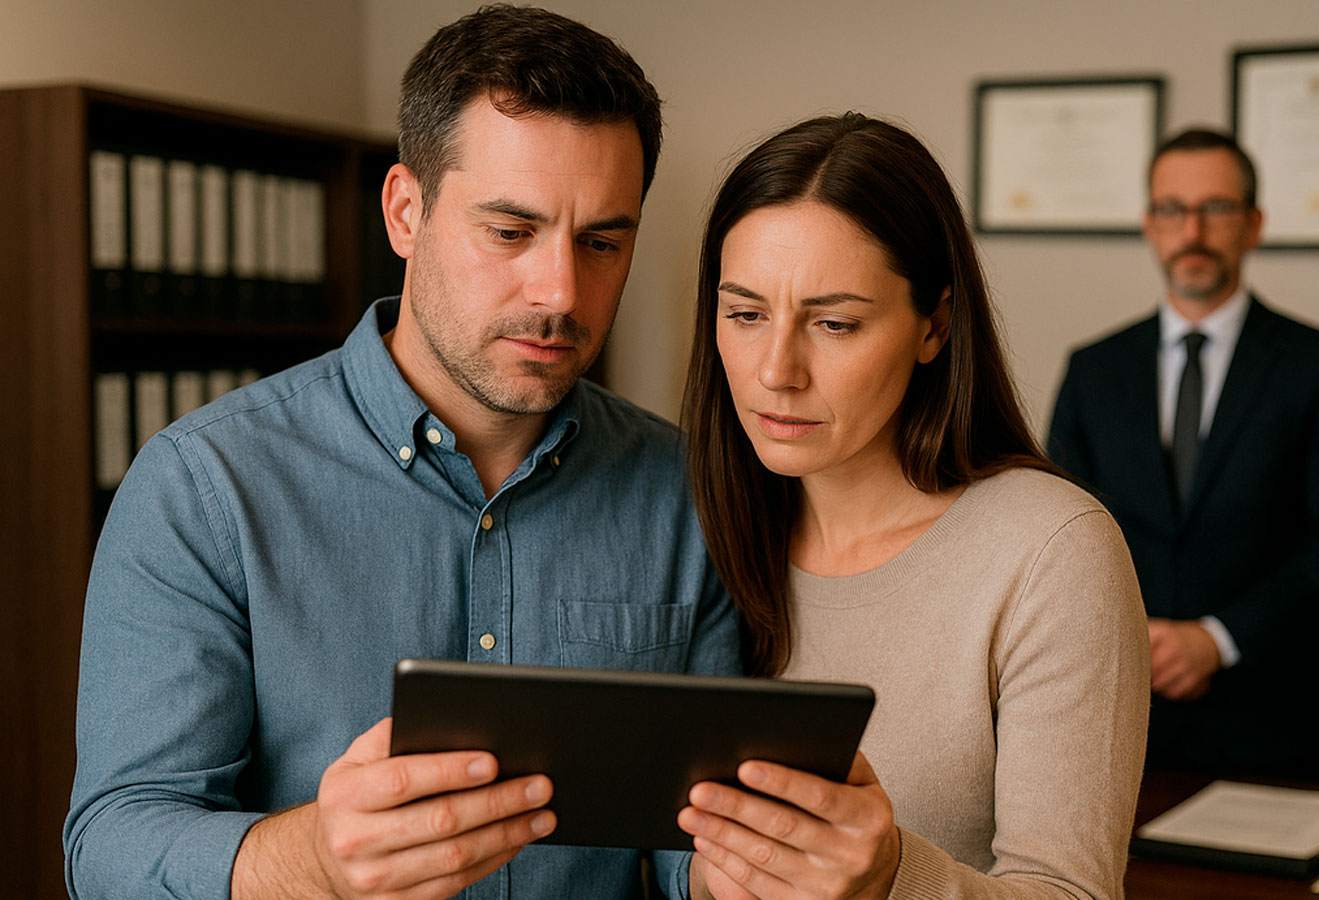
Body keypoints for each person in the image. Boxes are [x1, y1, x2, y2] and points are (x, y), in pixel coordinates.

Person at [64, 6, 739, 900]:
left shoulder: (688, 493)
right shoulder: (203, 487)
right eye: (509, 231)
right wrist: (310, 860)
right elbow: (108, 846)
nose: (560, 290)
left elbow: (685, 842)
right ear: (404, 212)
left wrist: (745, 874)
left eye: (602, 242)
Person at [676, 113, 1149, 900]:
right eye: (745, 314)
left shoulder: (1052, 552)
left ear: (934, 325)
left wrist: (893, 876)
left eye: (834, 323)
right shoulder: (694, 526)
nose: (777, 371)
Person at [1047, 127, 1319, 777]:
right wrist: (1133, 636)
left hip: (1272, 714)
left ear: (1253, 224)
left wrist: (1217, 639)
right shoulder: (1094, 370)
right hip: (1117, 706)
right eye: (1172, 209)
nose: (1191, 230)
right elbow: (1058, 530)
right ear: (1149, 223)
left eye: (1216, 208)